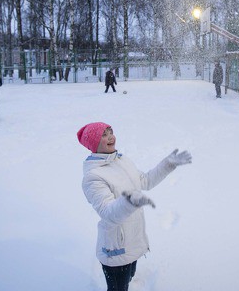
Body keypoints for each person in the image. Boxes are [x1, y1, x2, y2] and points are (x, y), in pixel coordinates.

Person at [79, 122, 192, 291]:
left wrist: (168, 164)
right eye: (104, 134)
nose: (111, 137)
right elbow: (107, 212)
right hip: (116, 248)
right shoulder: (93, 177)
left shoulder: (122, 160)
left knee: (130, 275)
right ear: (94, 143)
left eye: (111, 131)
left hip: (134, 238)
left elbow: (144, 181)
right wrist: (128, 202)